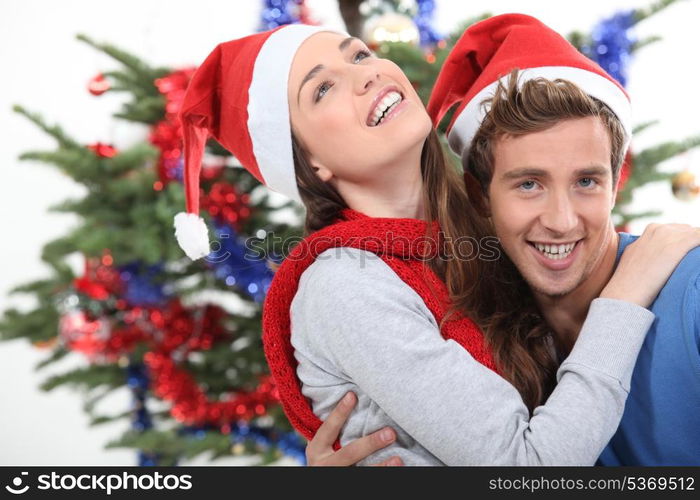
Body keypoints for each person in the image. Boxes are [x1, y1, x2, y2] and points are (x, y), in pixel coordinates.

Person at [171, 21, 699, 466]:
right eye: (321, 89)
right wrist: (624, 299)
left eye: (358, 54)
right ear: (310, 163)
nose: (365, 74)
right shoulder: (344, 282)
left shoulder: (482, 248)